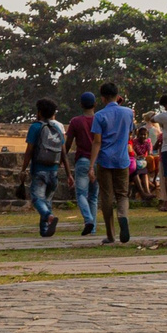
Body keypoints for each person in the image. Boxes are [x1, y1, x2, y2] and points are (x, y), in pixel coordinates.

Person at [94, 81, 136, 244]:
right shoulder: (128, 113)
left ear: (103, 98)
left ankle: (111, 235)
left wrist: (91, 164)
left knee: (106, 196)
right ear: (118, 96)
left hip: (104, 159)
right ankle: (122, 216)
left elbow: (97, 142)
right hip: (122, 158)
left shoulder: (99, 116)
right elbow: (129, 133)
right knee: (122, 194)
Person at [24, 99, 67, 238]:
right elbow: (63, 152)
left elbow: (29, 151)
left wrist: (23, 168)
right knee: (47, 201)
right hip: (54, 170)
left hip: (39, 170)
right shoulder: (58, 128)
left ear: (40, 112)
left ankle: (49, 217)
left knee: (36, 198)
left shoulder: (35, 127)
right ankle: (45, 230)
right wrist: (68, 172)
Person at [65, 92, 100, 236]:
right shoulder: (100, 119)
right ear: (95, 104)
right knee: (93, 196)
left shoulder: (75, 121)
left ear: (81, 105)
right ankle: (92, 228)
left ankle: (88, 219)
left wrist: (63, 157)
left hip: (82, 161)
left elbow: (67, 143)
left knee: (81, 193)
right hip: (98, 161)